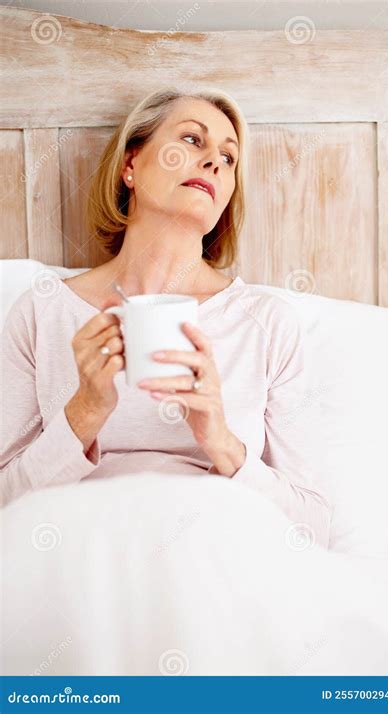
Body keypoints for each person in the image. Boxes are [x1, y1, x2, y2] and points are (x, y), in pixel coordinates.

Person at [0, 87, 331, 548]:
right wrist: (84, 413)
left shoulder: (266, 323)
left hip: (217, 560)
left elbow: (312, 529)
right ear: (130, 165)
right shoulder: (42, 312)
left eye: (229, 158)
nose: (215, 161)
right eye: (193, 140)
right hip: (81, 557)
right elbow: (4, 507)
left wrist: (219, 439)